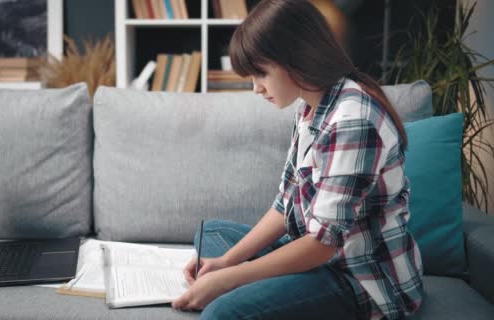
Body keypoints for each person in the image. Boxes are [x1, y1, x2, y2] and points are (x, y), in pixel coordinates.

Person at [171, 0, 424, 319]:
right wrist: (225, 263)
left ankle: (255, 290)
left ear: (297, 58)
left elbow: (322, 244)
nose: (255, 88)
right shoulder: (309, 107)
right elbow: (284, 204)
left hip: (359, 278)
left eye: (260, 73)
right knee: (211, 236)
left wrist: (227, 280)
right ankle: (264, 286)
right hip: (320, 256)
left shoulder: (353, 120)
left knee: (220, 314)